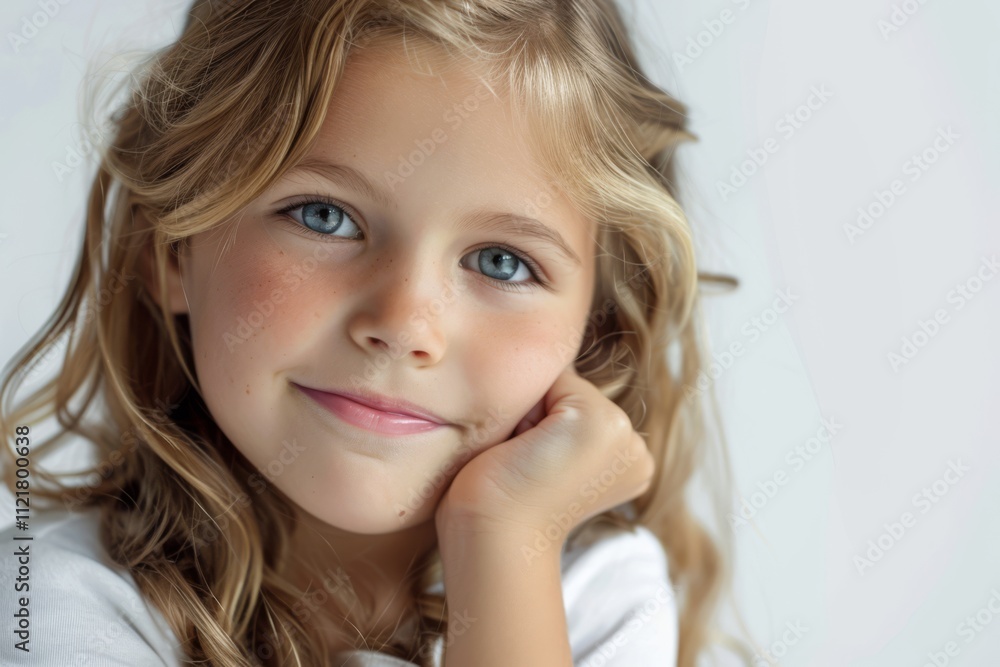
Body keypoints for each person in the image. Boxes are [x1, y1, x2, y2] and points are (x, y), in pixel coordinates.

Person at [0, 0, 755, 665]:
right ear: (172, 245)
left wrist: (502, 544)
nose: (401, 325)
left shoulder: (596, 596)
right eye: (325, 216)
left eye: (501, 261)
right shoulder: (49, 598)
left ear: (595, 330)